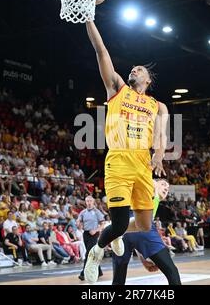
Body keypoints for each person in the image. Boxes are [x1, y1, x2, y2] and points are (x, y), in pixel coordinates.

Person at [83, 20, 169, 283]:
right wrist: (88, 18)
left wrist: (159, 154)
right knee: (120, 223)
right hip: (119, 161)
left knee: (144, 225)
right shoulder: (117, 89)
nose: (135, 69)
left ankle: (114, 234)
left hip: (143, 166)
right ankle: (97, 251)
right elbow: (101, 50)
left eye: (140, 69)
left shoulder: (158, 105)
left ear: (148, 79)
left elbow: (161, 134)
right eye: (133, 68)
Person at [112, 179, 181, 285]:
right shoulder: (150, 185)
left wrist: (142, 256)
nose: (166, 188)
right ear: (155, 183)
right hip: (137, 226)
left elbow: (136, 231)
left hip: (122, 229)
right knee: (172, 272)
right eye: (163, 184)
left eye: (167, 188)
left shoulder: (154, 199)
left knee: (118, 280)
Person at [77, 195, 104, 281]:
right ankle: (99, 271)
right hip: (86, 234)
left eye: (90, 201)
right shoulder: (83, 212)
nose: (88, 203)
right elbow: (79, 221)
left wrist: (96, 230)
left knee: (89, 253)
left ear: (93, 202)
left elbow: (102, 224)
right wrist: (78, 223)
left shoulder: (97, 212)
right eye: (87, 201)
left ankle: (83, 273)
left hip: (94, 234)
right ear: (85, 202)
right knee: (92, 254)